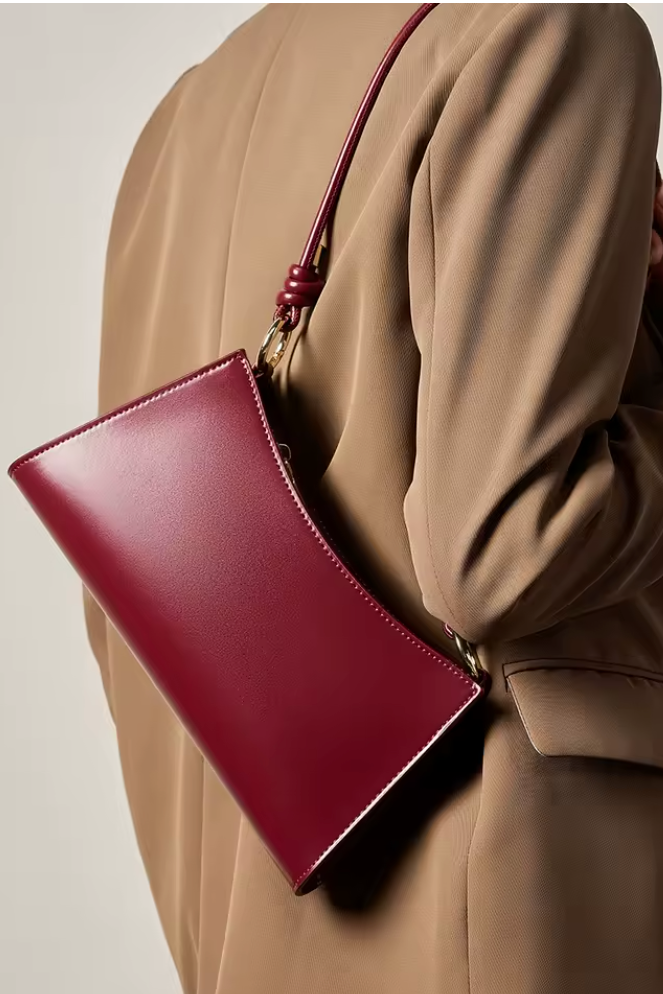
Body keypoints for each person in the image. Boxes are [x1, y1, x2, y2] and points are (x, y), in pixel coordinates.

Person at [83, 5, 663, 993]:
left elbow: (132, 598)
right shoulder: (548, 32)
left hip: (257, 921)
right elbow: (501, 546)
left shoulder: (175, 131)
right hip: (507, 907)